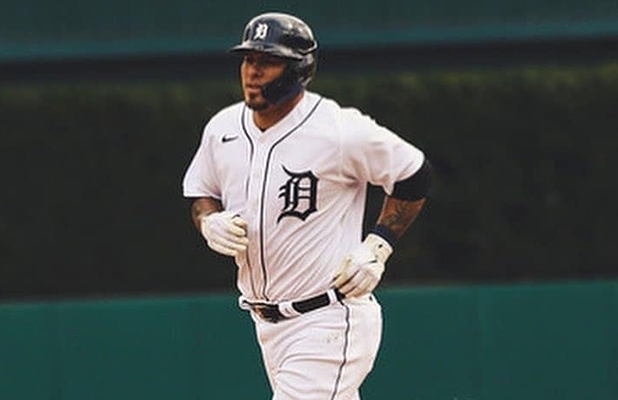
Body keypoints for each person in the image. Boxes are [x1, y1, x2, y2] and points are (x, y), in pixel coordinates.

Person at [182, 11, 432, 400]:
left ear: (298, 69)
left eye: (268, 61)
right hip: (267, 325)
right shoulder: (223, 128)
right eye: (248, 59)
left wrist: (378, 245)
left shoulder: (338, 130)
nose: (252, 71)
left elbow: (414, 173)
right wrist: (208, 220)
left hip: (328, 318)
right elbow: (201, 190)